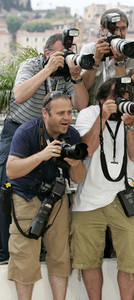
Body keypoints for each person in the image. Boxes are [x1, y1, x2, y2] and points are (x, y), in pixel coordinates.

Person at [0, 33, 88, 264]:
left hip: (51, 132)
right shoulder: (32, 65)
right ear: (48, 53)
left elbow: (81, 105)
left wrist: (76, 76)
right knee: (5, 182)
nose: (66, 59)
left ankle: (42, 245)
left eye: (70, 54)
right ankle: (3, 251)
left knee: (50, 183)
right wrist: (48, 69)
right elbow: (19, 95)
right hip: (19, 131)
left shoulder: (68, 73)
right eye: (62, 54)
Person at [70, 78, 134, 300]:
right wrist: (103, 117)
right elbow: (87, 148)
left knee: (131, 259)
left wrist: (132, 125)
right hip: (89, 200)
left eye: (127, 97)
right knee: (88, 259)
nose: (123, 102)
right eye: (117, 98)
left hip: (123, 198)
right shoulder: (88, 113)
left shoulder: (133, 116)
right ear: (102, 99)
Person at [6, 92, 86, 300]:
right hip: (25, 196)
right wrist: (42, 155)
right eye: (60, 113)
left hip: (57, 197)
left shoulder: (72, 136)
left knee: (60, 257)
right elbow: (11, 170)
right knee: (25, 258)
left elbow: (78, 178)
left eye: (69, 112)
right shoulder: (27, 131)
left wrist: (76, 164)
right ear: (45, 113)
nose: (66, 118)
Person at [81, 8, 134, 105]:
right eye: (114, 29)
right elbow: (82, 87)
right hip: (93, 110)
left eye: (123, 29)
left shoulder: (132, 56)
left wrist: (120, 62)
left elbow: (128, 93)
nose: (118, 34)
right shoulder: (90, 50)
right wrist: (96, 60)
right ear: (102, 29)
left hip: (119, 111)